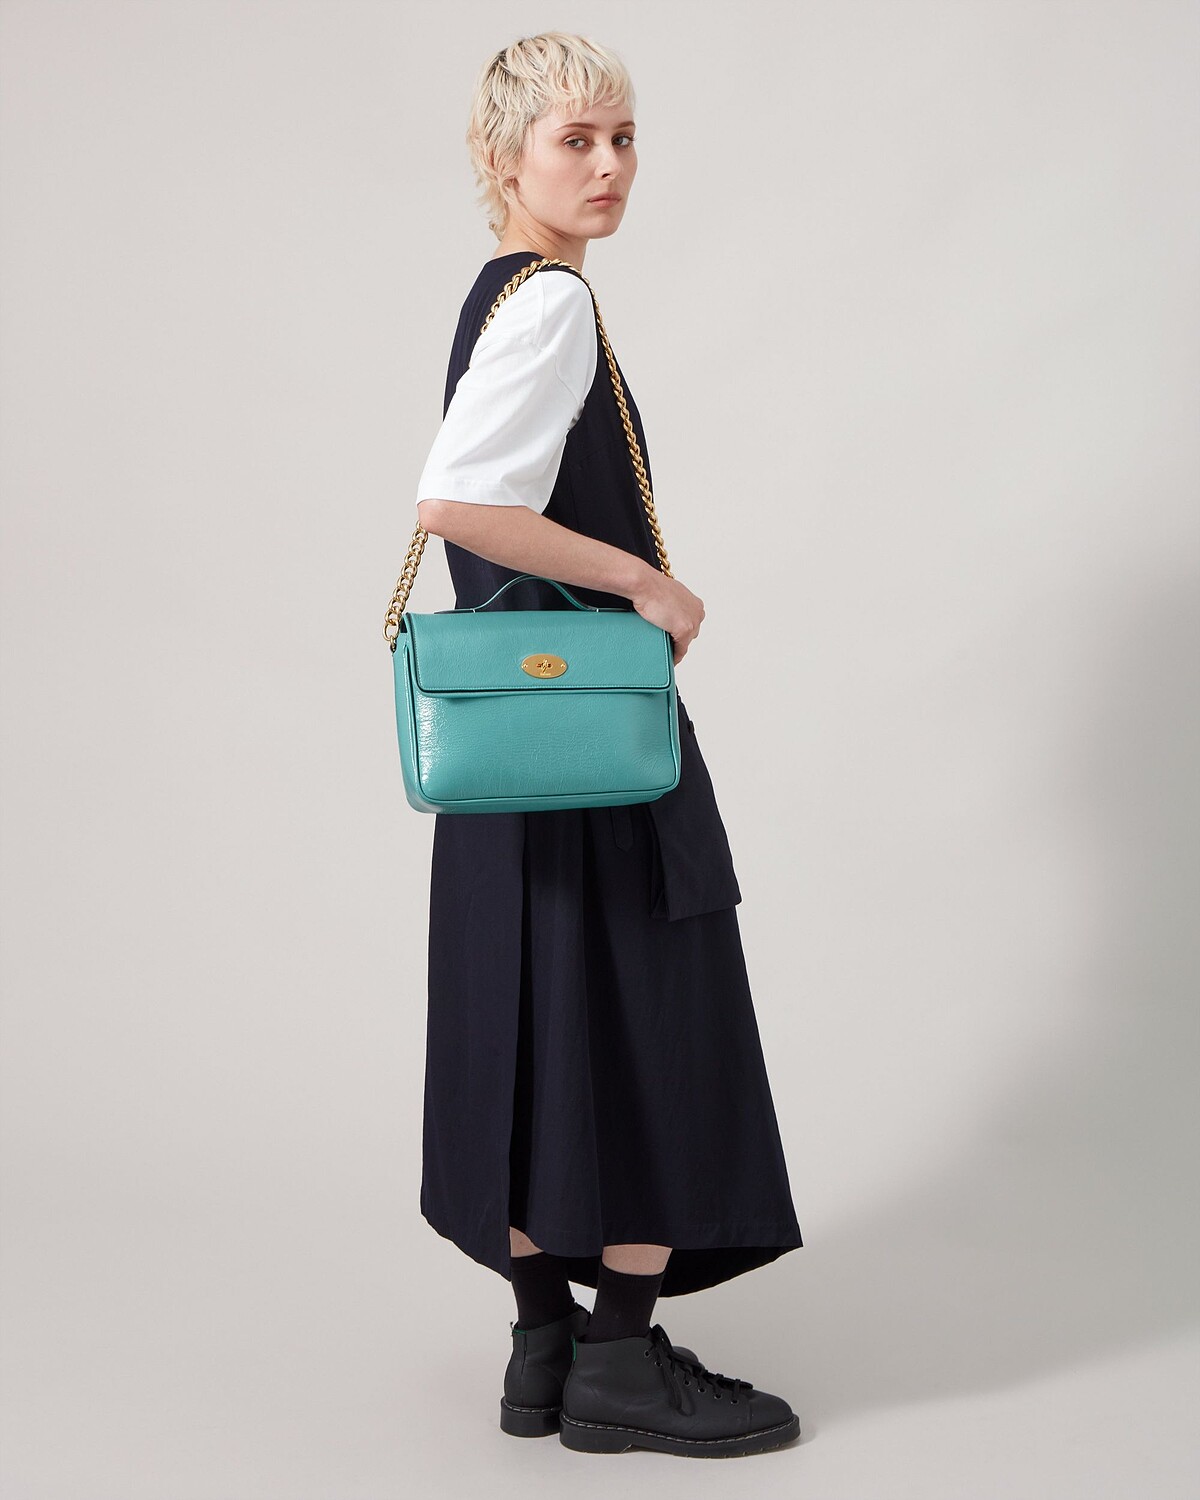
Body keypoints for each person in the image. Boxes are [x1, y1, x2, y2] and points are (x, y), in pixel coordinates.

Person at [407, 32, 804, 1459]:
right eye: (576, 141)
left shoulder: (500, 295)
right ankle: (621, 1359)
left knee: (529, 1024)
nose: (611, 166)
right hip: (593, 732)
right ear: (504, 156)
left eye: (624, 137)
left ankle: (544, 1351)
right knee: (655, 1018)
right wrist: (644, 583)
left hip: (512, 750)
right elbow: (460, 503)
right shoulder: (553, 303)